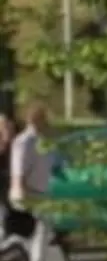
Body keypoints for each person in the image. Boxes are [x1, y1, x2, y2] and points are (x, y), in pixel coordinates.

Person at [6, 102, 54, 252]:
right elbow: (19, 168)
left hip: (38, 192)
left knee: (37, 230)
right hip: (28, 191)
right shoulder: (25, 141)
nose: (46, 122)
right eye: (43, 118)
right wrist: (21, 191)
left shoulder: (41, 141)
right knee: (37, 228)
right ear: (34, 119)